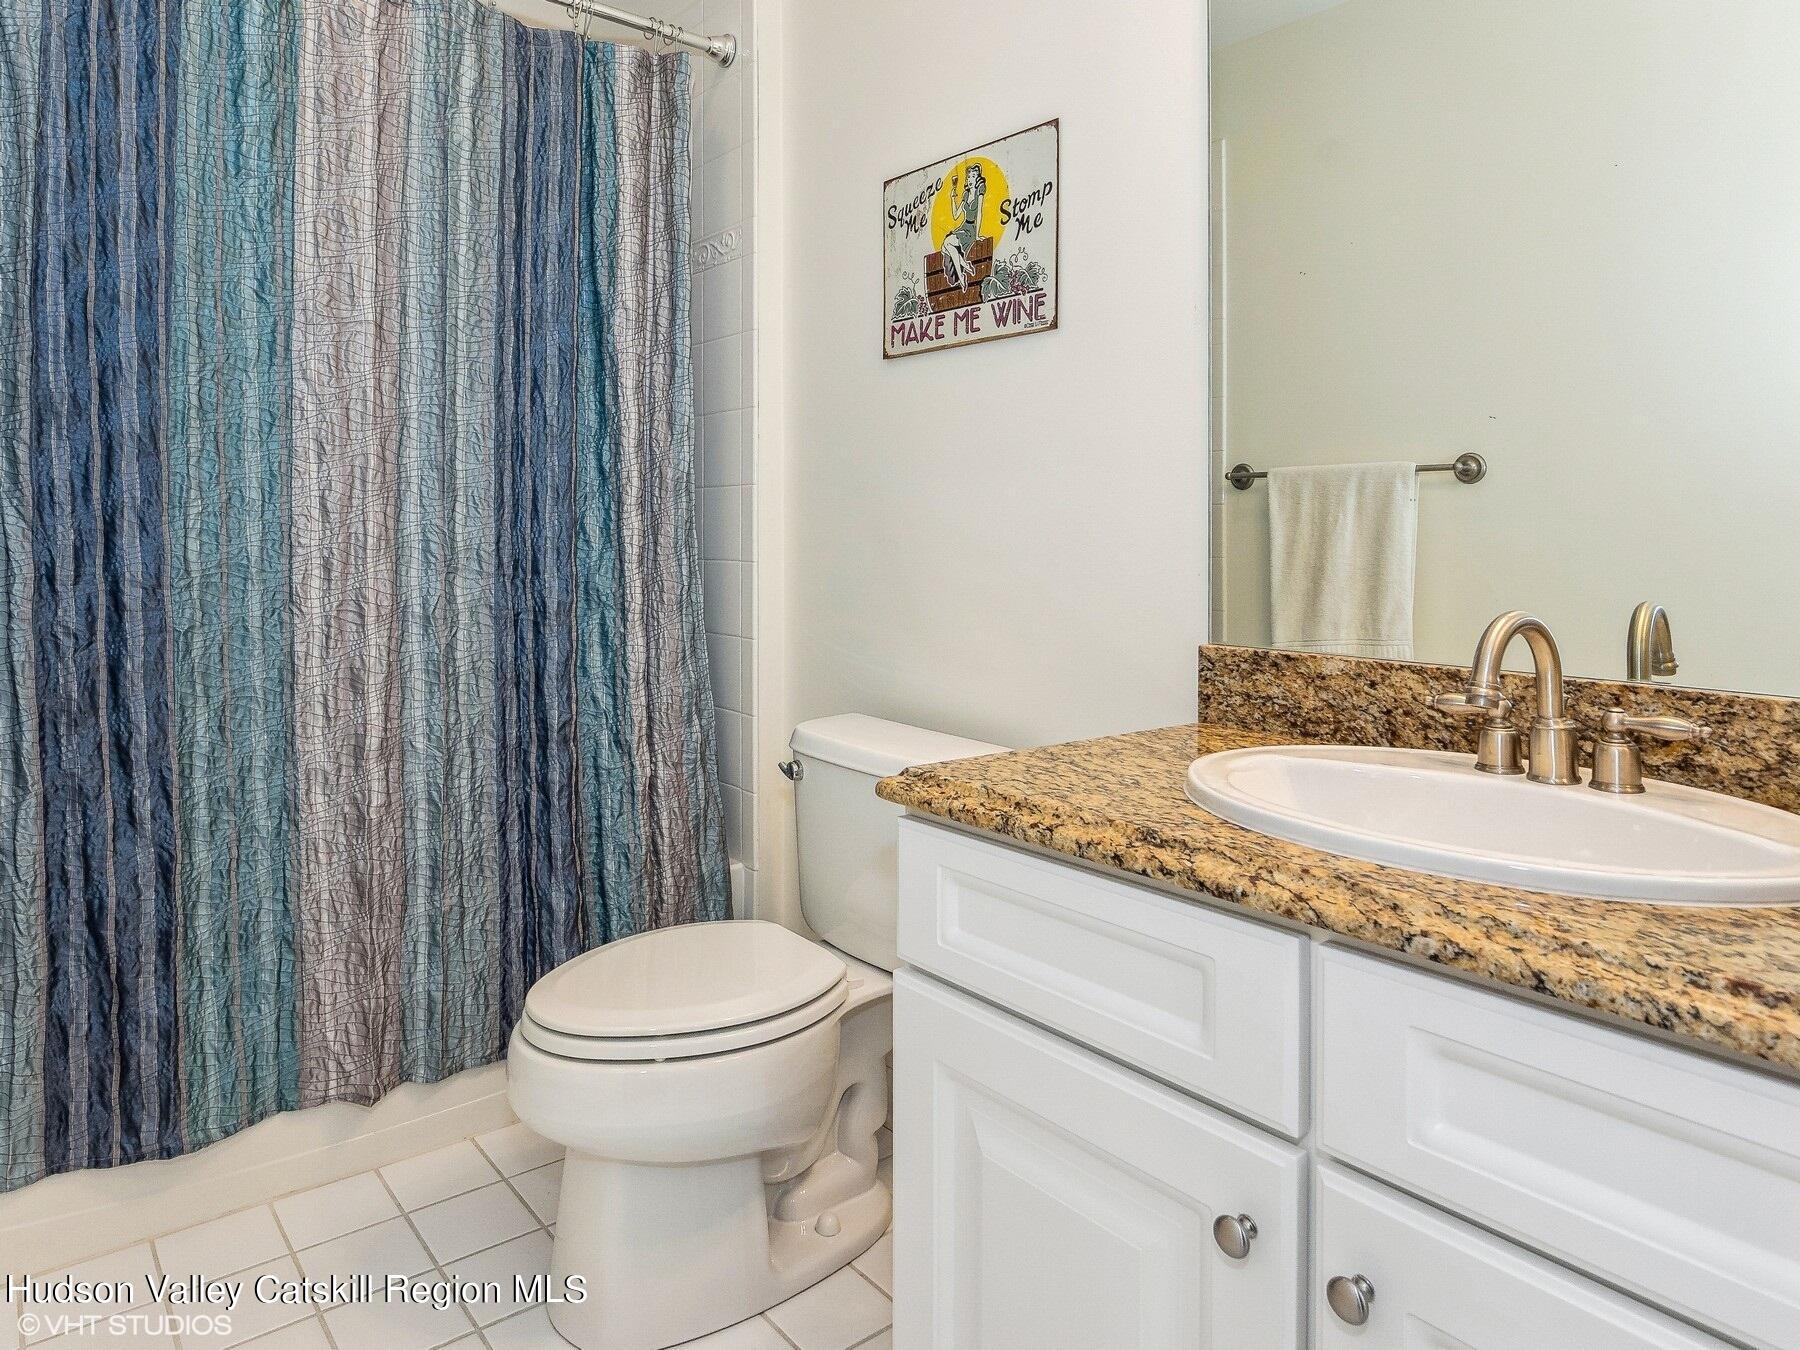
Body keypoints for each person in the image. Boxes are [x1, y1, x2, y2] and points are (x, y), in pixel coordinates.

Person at [940, 162, 987, 291]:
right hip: (963, 226)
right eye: (969, 177)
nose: (970, 179)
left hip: (971, 229)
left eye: (973, 176)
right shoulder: (965, 194)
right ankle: (964, 267)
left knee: (947, 244)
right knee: (945, 246)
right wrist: (952, 199)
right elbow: (956, 215)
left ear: (978, 178)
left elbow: (979, 213)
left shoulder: (980, 191)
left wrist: (977, 235)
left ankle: (962, 273)